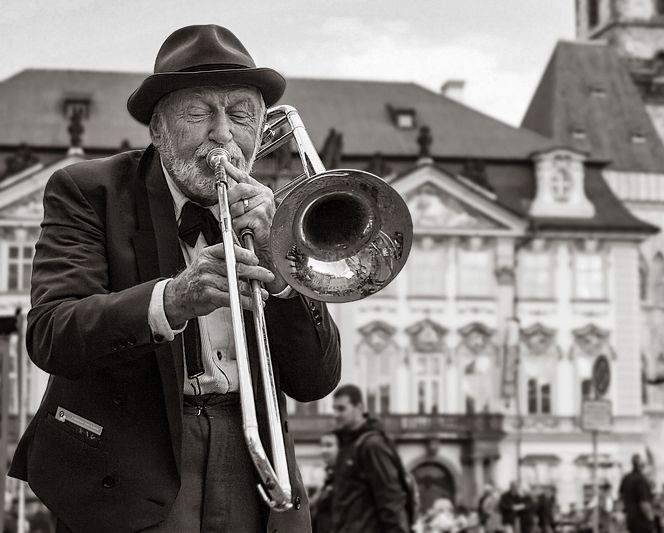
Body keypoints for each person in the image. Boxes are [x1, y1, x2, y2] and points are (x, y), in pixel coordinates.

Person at [8, 24, 341, 533]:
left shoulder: (273, 209)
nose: (223, 134)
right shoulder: (89, 190)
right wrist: (173, 299)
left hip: (256, 470)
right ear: (159, 128)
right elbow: (52, 333)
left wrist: (283, 277)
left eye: (240, 115)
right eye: (198, 113)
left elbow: (315, 380)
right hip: (127, 460)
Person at [329, 384, 410, 532]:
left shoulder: (372, 445)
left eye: (341, 409)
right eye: (334, 409)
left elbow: (391, 500)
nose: (336, 415)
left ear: (359, 407)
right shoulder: (348, 445)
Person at [619, 454, 655, 533]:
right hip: (642, 521)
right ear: (642, 466)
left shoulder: (626, 478)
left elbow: (621, 497)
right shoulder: (641, 480)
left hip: (630, 520)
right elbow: (644, 503)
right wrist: (651, 519)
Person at [310, 432, 338, 533]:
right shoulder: (328, 476)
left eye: (329, 445)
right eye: (322, 446)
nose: (324, 450)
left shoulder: (346, 477)